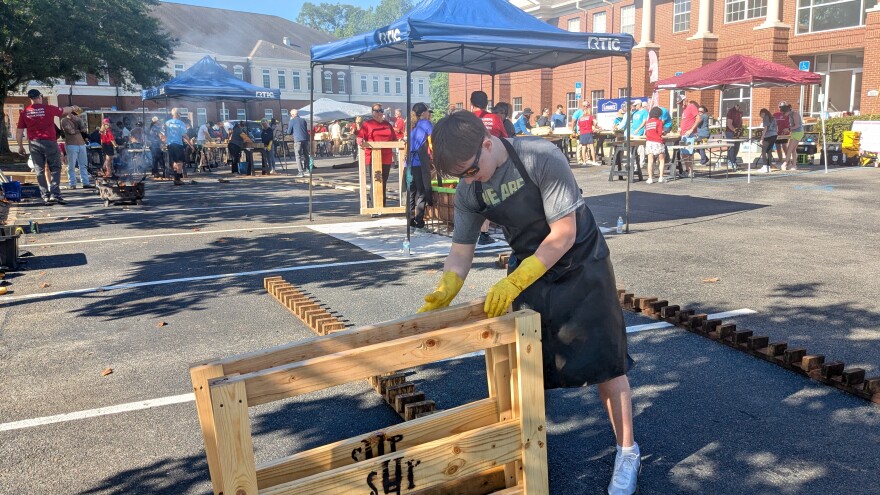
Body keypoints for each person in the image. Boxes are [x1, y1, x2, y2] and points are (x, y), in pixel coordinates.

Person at [421, 111, 640, 495]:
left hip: (582, 263)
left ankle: (627, 452)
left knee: (608, 363)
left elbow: (564, 233)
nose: (471, 179)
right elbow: (461, 249)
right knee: (530, 365)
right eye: (461, 175)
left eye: (473, 169)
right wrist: (448, 287)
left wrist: (515, 280)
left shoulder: (540, 156)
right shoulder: (470, 188)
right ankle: (529, 449)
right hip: (532, 267)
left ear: (487, 143)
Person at [15, 89, 74, 204]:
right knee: (55, 168)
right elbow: (63, 111)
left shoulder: (25, 112)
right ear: (40, 97)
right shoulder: (48, 108)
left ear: (30, 98)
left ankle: (45, 195)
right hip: (50, 142)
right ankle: (55, 194)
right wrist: (73, 107)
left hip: (34, 143)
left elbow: (19, 132)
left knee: (39, 170)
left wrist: (20, 146)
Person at [357, 104, 397, 206]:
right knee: (376, 181)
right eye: (377, 111)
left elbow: (394, 139)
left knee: (383, 182)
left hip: (386, 158)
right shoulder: (367, 124)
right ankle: (373, 206)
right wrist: (360, 140)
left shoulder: (387, 125)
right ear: (372, 113)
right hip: (372, 158)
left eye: (381, 110)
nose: (380, 113)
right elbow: (360, 137)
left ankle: (382, 205)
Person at [407, 103, 434, 229]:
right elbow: (435, 137)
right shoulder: (425, 123)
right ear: (423, 113)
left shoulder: (412, 124)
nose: (429, 114)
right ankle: (419, 220)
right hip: (418, 161)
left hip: (408, 162)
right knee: (421, 190)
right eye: (428, 111)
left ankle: (410, 218)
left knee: (411, 191)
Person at [60, 105, 92, 189]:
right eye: (74, 113)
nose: (76, 115)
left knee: (83, 164)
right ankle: (72, 183)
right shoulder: (64, 120)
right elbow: (71, 131)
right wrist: (79, 130)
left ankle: (85, 182)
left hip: (81, 144)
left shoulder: (78, 120)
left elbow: (84, 129)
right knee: (72, 165)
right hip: (71, 144)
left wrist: (78, 120)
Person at [164, 108, 190, 185]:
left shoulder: (167, 123)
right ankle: (177, 179)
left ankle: (176, 177)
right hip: (178, 144)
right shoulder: (181, 123)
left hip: (170, 144)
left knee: (174, 161)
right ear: (178, 114)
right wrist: (190, 144)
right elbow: (184, 135)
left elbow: (164, 134)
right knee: (180, 161)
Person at [644, 107, 666, 184]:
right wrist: (664, 133)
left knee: (650, 161)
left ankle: (650, 178)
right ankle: (661, 177)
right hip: (658, 142)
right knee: (661, 160)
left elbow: (647, 132)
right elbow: (660, 133)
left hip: (649, 142)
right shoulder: (659, 122)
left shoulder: (648, 122)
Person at [679, 100, 700, 176]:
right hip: (684, 134)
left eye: (681, 103)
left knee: (688, 153)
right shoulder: (684, 109)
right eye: (679, 103)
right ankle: (688, 170)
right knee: (684, 154)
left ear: (685, 101)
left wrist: (691, 129)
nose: (680, 105)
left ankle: (690, 171)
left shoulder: (691, 106)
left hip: (689, 134)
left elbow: (698, 118)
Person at [575, 101, 599, 166]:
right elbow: (595, 122)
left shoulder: (580, 118)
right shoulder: (590, 117)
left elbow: (579, 127)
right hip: (589, 133)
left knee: (583, 147)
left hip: (582, 134)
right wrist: (597, 127)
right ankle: (594, 161)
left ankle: (584, 162)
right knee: (591, 147)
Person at [287, 109, 310, 176]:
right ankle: (308, 170)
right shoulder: (303, 120)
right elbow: (305, 129)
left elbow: (289, 132)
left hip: (298, 139)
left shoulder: (292, 121)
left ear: (293, 115)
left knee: (298, 156)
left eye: (291, 115)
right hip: (305, 139)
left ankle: (300, 172)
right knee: (306, 155)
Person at [782, 103, 804, 171]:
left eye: (783, 113)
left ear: (786, 111)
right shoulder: (790, 115)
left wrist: (789, 129)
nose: (783, 115)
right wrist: (788, 129)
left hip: (798, 132)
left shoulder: (795, 114)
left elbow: (797, 125)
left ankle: (785, 163)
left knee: (789, 148)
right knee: (793, 149)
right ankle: (794, 165)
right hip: (794, 132)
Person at [758, 108, 778, 173]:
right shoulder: (773, 118)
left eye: (761, 115)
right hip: (774, 135)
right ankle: (769, 167)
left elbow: (765, 128)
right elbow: (777, 128)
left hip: (768, 135)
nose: (761, 117)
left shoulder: (766, 117)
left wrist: (762, 138)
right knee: (769, 151)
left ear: (763, 113)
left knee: (763, 150)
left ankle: (764, 166)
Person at [725, 102, 743, 171]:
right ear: (737, 105)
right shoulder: (731, 111)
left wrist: (740, 130)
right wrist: (734, 130)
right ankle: (730, 161)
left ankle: (734, 160)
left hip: (737, 131)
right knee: (731, 147)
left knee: (737, 146)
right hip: (730, 132)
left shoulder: (740, 112)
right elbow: (729, 123)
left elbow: (741, 121)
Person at [774, 102, 790, 166]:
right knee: (777, 146)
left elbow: (790, 123)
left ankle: (787, 159)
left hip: (784, 133)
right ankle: (780, 159)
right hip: (777, 133)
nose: (781, 108)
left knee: (784, 146)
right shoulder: (775, 114)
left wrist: (788, 129)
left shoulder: (787, 114)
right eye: (780, 107)